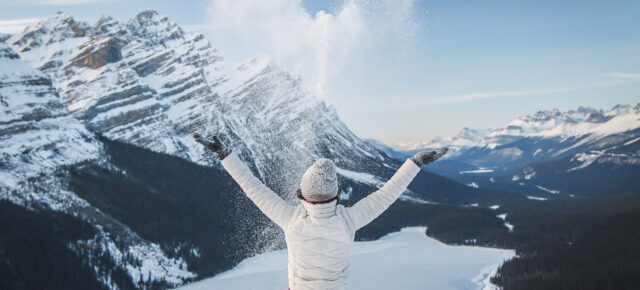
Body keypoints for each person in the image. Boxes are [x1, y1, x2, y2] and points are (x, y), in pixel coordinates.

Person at [193, 133, 448, 290]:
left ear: (302, 193)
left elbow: (253, 188)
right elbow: (386, 195)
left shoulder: (291, 220)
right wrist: (415, 163)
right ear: (336, 194)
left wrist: (225, 155)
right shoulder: (348, 220)